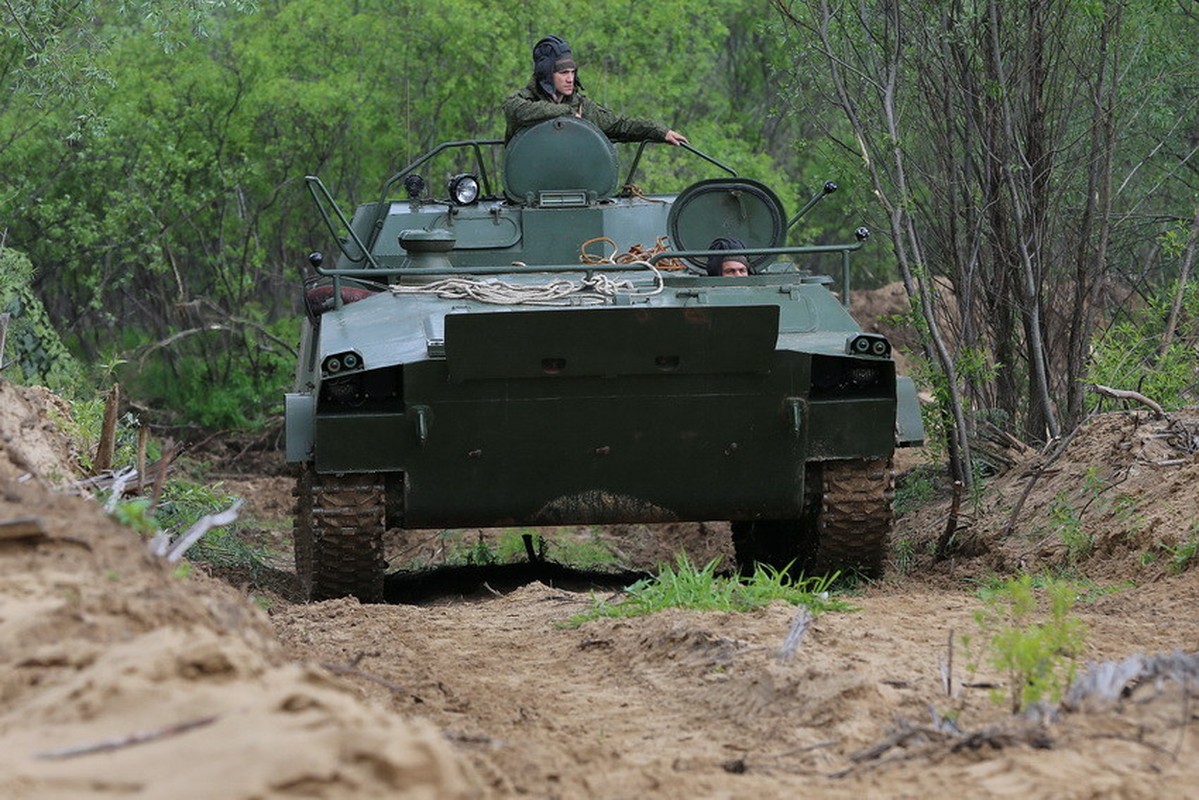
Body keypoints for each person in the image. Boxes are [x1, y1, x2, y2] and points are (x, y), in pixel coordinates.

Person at [502, 35, 689, 147]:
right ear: (547, 74)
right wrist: (567, 114)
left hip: (574, 183)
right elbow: (517, 112)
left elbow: (619, 125)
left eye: (572, 72)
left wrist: (659, 132)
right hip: (530, 187)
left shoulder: (580, 105)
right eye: (563, 73)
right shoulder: (522, 101)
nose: (570, 79)